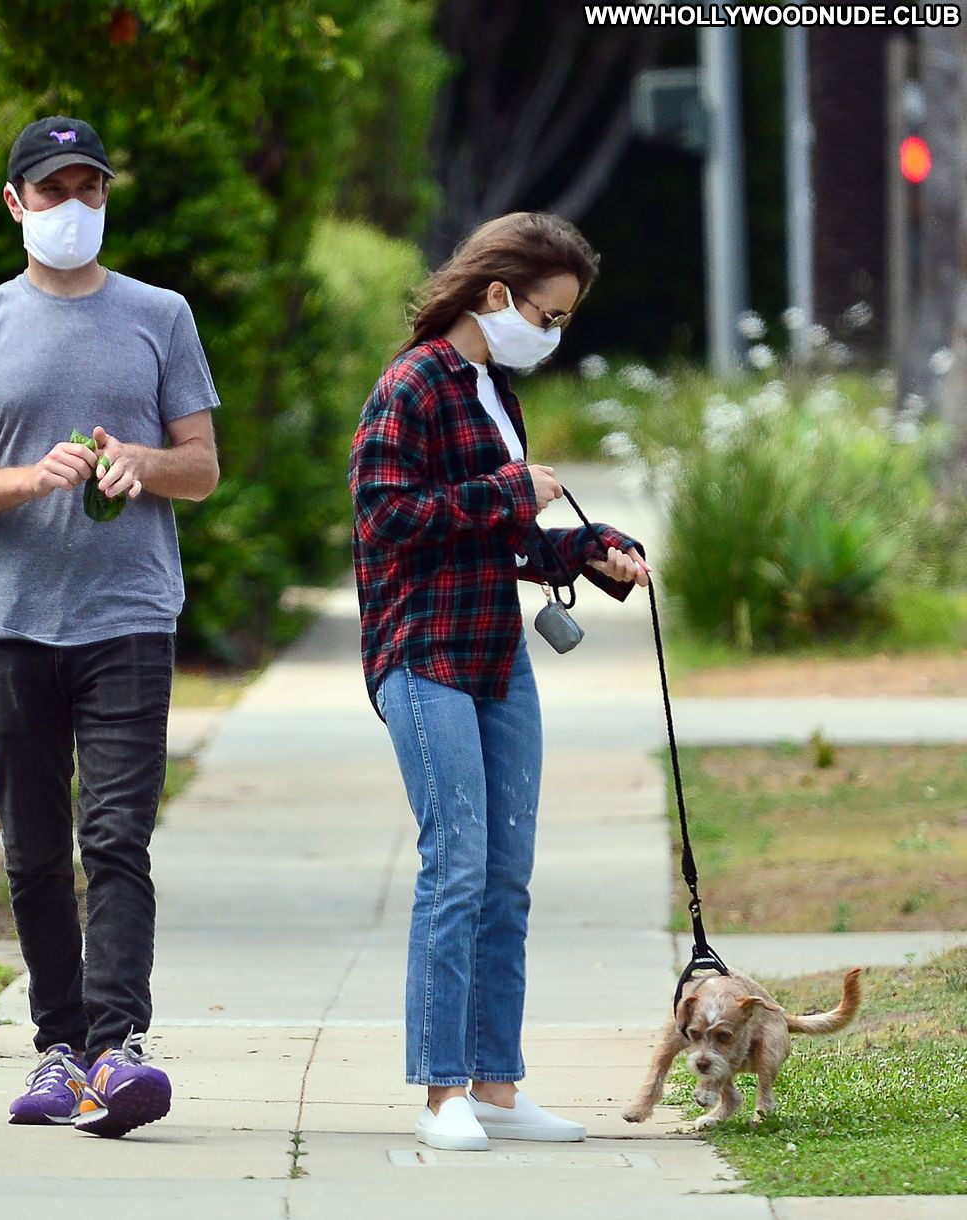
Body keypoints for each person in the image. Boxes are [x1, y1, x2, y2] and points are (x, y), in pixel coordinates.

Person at [0, 115, 220, 1138]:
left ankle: (116, 1049)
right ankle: (58, 1046)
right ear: (15, 202)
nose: (74, 205)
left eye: (90, 187)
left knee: (117, 837)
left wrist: (142, 462)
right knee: (36, 850)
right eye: (53, 190)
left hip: (129, 615)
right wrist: (27, 478)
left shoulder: (161, 314)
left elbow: (202, 467)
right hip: (14, 623)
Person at [348, 212, 650, 1152]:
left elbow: (502, 540)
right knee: (457, 864)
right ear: (495, 295)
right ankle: (441, 1092)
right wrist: (512, 492)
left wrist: (590, 548)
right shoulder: (412, 384)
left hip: (495, 655)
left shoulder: (493, 392)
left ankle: (496, 1086)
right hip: (421, 652)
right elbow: (386, 517)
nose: (552, 335)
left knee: (507, 876)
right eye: (548, 316)